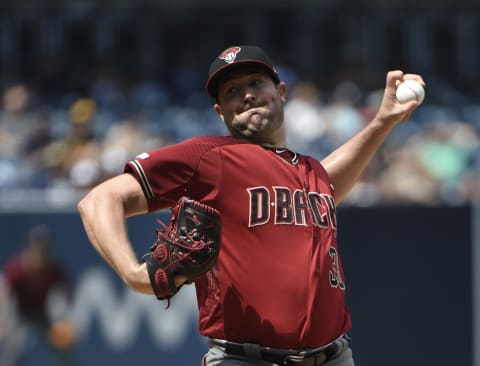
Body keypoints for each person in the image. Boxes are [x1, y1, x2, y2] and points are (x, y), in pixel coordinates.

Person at [78, 45, 424, 365]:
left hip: (334, 356)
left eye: (256, 82)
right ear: (220, 111)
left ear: (282, 92)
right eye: (231, 92)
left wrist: (383, 122)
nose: (246, 95)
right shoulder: (210, 158)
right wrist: (131, 273)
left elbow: (326, 184)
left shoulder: (309, 170)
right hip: (246, 358)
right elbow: (99, 200)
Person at [0, 224, 77, 366]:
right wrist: (4, 320)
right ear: (28, 248)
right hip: (20, 315)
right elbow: (4, 295)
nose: (40, 253)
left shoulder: (53, 269)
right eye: (37, 249)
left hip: (42, 314)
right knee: (13, 349)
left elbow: (67, 294)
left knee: (63, 347)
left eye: (44, 249)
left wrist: (65, 320)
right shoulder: (17, 269)